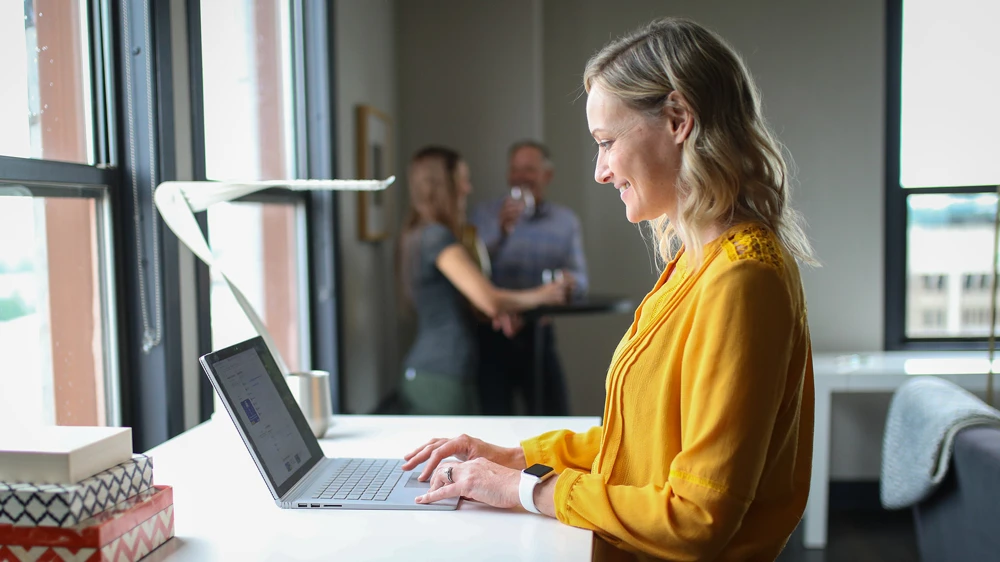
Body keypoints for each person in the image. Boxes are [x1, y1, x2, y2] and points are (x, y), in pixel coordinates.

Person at [400, 17, 818, 561]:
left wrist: (528, 491)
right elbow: (641, 447)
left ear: (678, 120)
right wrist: (514, 459)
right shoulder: (698, 264)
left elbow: (697, 519)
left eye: (606, 142)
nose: (600, 171)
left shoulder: (741, 278)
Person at [398, 146, 567, 416]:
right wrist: (544, 295)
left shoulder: (422, 233)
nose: (468, 188)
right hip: (441, 373)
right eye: (462, 180)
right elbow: (490, 299)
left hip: (440, 371)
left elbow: (467, 303)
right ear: (442, 185)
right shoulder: (436, 237)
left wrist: (499, 313)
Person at [470, 140, 588, 416]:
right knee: (494, 421)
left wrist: (568, 285)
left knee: (554, 416)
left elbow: (581, 279)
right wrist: (500, 232)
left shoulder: (565, 221)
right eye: (515, 169)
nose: (520, 177)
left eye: (529, 169)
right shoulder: (484, 215)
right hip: (492, 333)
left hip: (539, 333)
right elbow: (470, 270)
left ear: (547, 175)